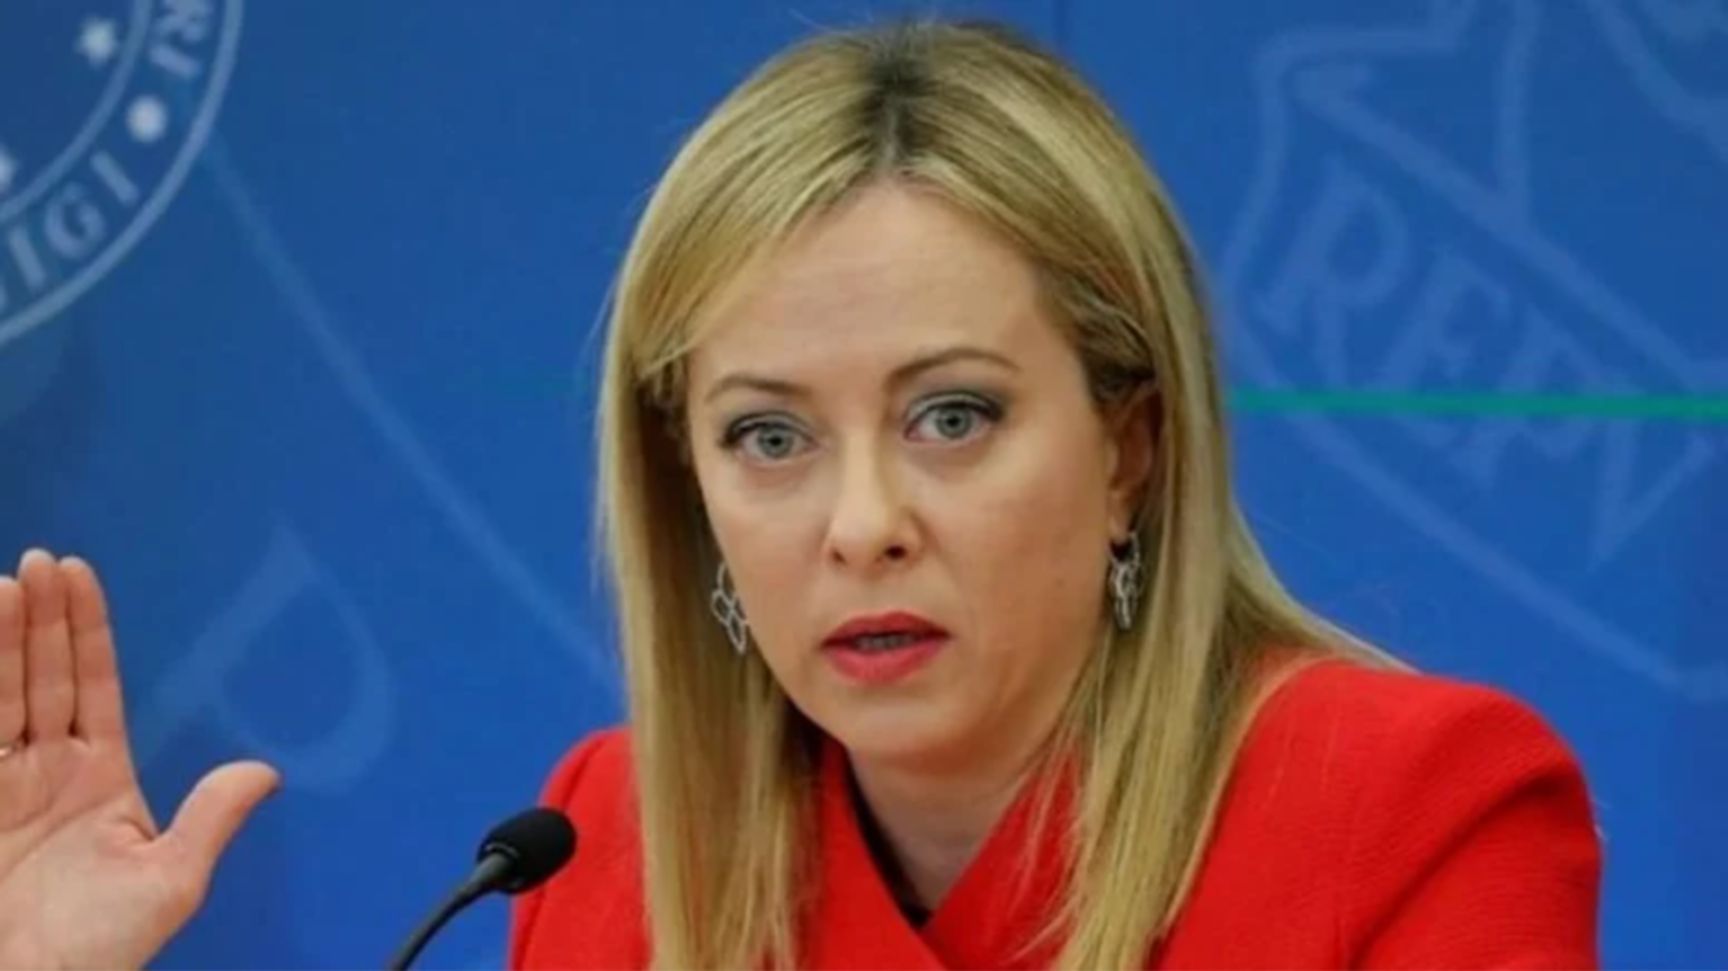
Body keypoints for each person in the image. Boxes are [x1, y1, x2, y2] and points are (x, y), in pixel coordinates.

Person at [0, 17, 1600, 971]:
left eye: (953, 417)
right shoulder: (609, 845)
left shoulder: (1414, 809)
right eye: (769, 438)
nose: (861, 524)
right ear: (688, 488)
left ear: (1130, 449)